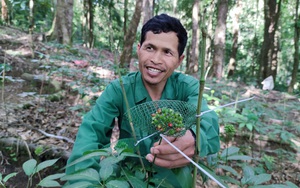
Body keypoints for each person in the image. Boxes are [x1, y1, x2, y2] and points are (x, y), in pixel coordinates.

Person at [65, 13, 220, 187]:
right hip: (127, 178)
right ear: (138, 49)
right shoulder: (120, 89)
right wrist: (82, 182)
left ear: (179, 60)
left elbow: (207, 118)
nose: (155, 59)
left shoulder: (187, 87)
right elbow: (91, 132)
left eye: (167, 52)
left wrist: (194, 137)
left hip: (172, 180)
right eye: (150, 48)